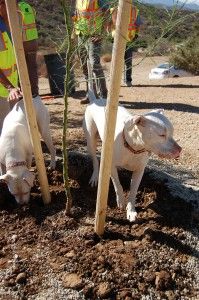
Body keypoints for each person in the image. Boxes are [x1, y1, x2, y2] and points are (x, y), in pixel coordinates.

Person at [0, 0, 39, 133]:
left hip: (11, 91)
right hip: (4, 91)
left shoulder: (11, 28)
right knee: (4, 133)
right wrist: (10, 87)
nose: (15, 8)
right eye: (11, 5)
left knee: (13, 130)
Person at [73, 0, 110, 104]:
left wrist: (102, 33)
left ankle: (103, 96)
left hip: (94, 36)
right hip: (81, 35)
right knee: (84, 66)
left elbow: (107, 13)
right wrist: (73, 34)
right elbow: (77, 16)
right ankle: (90, 94)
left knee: (94, 65)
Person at [111, 3, 142, 87]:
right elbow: (109, 24)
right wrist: (110, 35)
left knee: (128, 62)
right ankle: (115, 81)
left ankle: (128, 80)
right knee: (116, 61)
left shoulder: (134, 10)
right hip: (117, 39)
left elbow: (138, 24)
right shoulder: (114, 10)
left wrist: (136, 34)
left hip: (129, 39)